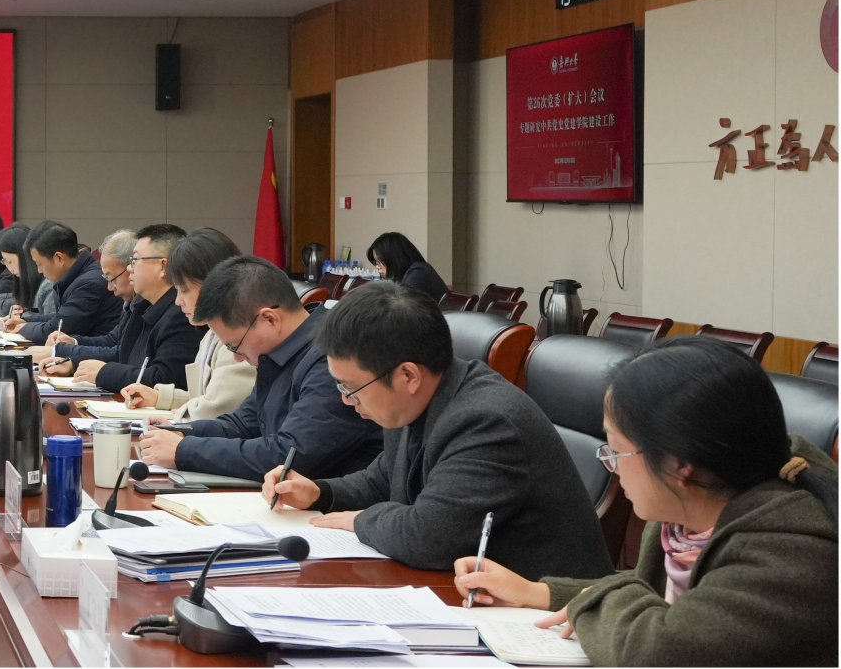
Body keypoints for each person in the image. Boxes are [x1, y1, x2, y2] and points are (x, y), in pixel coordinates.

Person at [455, 337, 839, 667]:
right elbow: (652, 594)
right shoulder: (686, 513)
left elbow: (661, 652)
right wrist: (534, 593)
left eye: (617, 451)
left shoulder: (791, 550)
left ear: (680, 465)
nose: (610, 464)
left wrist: (600, 601)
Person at [265, 281, 612, 578]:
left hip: (543, 614)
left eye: (351, 388)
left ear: (408, 376)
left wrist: (361, 521)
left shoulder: (486, 422)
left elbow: (428, 538)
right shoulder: (418, 400)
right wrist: (319, 493)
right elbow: (382, 480)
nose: (345, 400)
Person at [138, 253, 380, 480]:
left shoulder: (333, 357)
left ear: (269, 319)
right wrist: (182, 431)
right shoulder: (279, 353)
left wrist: (183, 450)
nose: (236, 358)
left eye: (235, 345)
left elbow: (290, 455)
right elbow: (244, 424)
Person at [41, 224, 200, 393]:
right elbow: (123, 354)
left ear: (162, 266)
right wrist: (74, 363)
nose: (130, 268)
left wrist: (103, 373)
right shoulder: (143, 306)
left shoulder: (182, 313)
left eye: (135, 260)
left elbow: (164, 379)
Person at [118, 227, 253, 422]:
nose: (178, 301)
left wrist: (178, 418)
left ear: (214, 283)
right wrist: (160, 397)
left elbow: (216, 410)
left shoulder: (237, 335)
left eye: (184, 290)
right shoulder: (211, 334)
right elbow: (205, 397)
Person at [13, 221, 118, 342]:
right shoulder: (81, 274)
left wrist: (22, 328)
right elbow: (62, 317)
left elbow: (56, 329)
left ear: (59, 258)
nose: (39, 271)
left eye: (39, 264)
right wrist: (25, 320)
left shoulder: (89, 284)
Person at [366, 231, 449, 305]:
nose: (377, 267)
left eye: (380, 260)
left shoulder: (418, 273)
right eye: (375, 262)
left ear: (394, 258)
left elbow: (401, 310)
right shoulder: (401, 275)